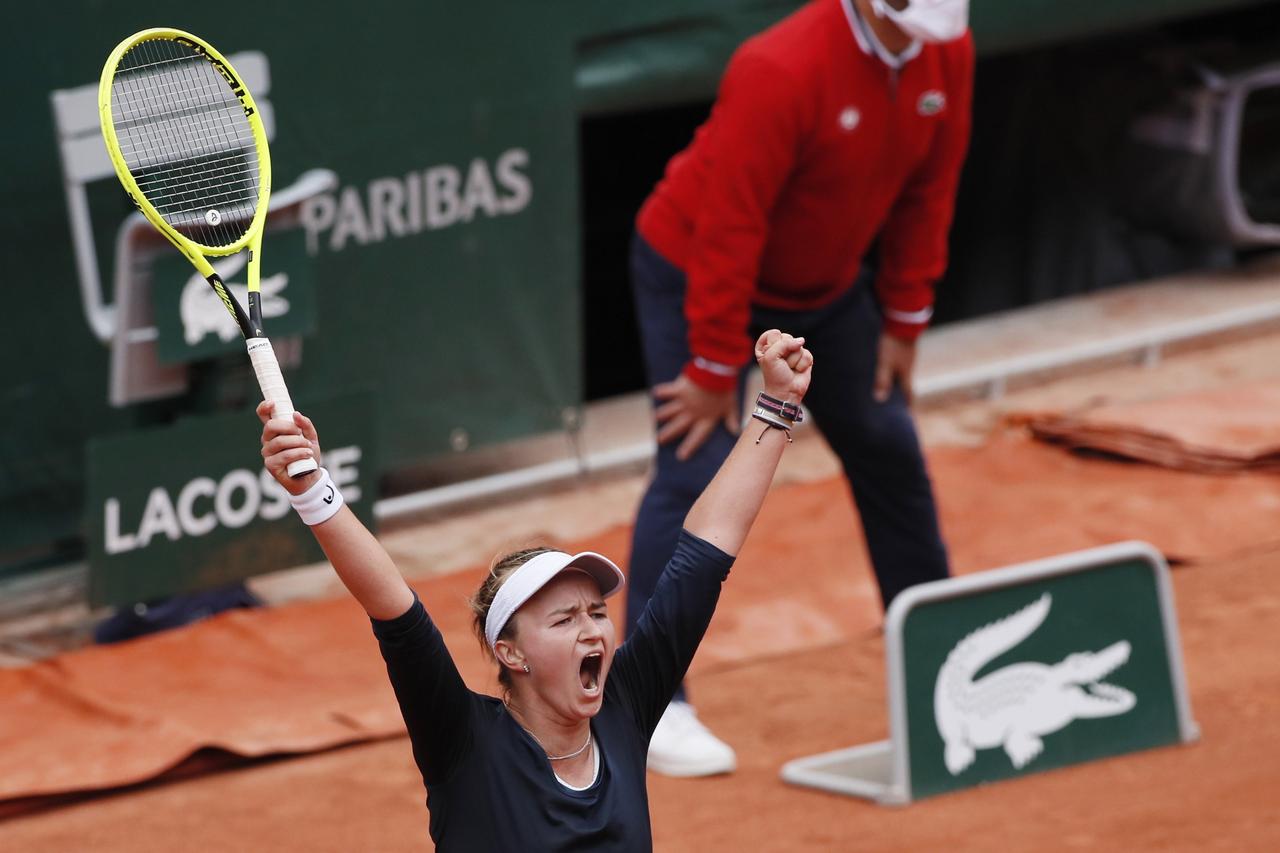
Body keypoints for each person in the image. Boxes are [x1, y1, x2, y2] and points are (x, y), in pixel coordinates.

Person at [257, 330, 812, 851]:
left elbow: (705, 552)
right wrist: (313, 491)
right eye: (564, 619)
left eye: (595, 611)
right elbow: (395, 612)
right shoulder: (464, 740)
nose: (592, 628)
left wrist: (777, 406)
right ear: (510, 652)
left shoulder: (624, 708)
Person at [626, 0, 974, 776]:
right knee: (694, 466)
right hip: (697, 270)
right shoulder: (778, 67)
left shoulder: (946, 49)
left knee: (887, 441)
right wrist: (715, 368)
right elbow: (729, 223)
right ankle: (651, 704)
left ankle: (943, 664)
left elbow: (931, 188)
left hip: (823, 289)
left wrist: (905, 319)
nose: (925, 38)